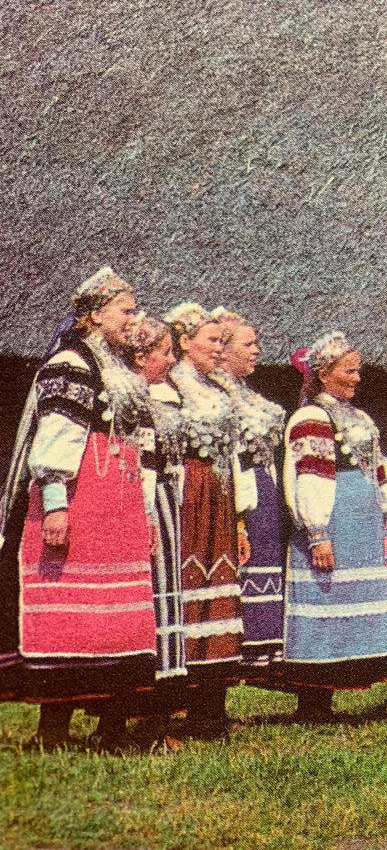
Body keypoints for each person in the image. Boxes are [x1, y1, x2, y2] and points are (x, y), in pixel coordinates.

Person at [0, 267, 155, 750]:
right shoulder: (71, 362)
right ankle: (53, 731)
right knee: (70, 615)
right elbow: (57, 438)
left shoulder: (122, 369)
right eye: (125, 311)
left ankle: (112, 727)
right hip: (82, 497)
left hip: (120, 504)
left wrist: (145, 513)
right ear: (93, 315)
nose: (134, 319)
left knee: (118, 619)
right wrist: (54, 506)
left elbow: (137, 443)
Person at [281, 331, 387, 721]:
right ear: (325, 373)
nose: (357, 378)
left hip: (362, 524)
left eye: (358, 370)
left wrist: (385, 529)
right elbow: (308, 479)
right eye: (349, 371)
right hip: (332, 519)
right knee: (324, 601)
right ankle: (313, 702)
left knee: (348, 603)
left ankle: (336, 689)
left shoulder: (360, 418)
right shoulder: (311, 417)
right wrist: (318, 534)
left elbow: (379, 474)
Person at [165, 302, 249, 739]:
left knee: (217, 592)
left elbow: (234, 456)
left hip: (218, 493)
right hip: (186, 494)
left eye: (222, 341)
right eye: (211, 341)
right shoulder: (169, 388)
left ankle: (211, 709)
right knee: (184, 589)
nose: (219, 349)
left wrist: (240, 520)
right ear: (184, 342)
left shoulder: (220, 391)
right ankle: (175, 707)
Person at [211, 308, 287, 673]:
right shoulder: (215, 396)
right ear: (224, 350)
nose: (257, 350)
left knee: (265, 558)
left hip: (263, 484)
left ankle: (265, 641)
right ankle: (242, 643)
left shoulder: (246, 393)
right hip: (239, 486)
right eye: (249, 344)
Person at [125, 315, 188, 736]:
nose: (171, 360)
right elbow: (141, 465)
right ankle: (142, 710)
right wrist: (146, 514)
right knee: (146, 600)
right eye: (165, 353)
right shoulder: (134, 400)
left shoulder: (166, 396)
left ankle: (160, 710)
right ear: (141, 355)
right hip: (140, 501)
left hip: (164, 499)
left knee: (166, 599)